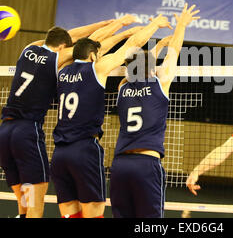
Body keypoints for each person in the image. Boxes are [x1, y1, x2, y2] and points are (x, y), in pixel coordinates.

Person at [50, 14, 173, 219]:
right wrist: (154, 25)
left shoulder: (61, 70)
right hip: (84, 149)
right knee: (94, 212)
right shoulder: (96, 68)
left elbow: (90, 43)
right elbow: (133, 46)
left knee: (70, 214)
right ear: (92, 56)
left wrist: (122, 28)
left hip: (59, 153)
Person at [0, 18, 118, 218]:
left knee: (25, 200)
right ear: (63, 46)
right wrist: (107, 26)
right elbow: (90, 46)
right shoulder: (58, 57)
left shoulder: (28, 49)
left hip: (4, 133)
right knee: (36, 206)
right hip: (26, 132)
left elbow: (71, 35)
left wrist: (98, 25)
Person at [110, 4, 200, 218]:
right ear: (151, 68)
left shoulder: (122, 87)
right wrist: (181, 25)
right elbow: (175, 51)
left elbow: (138, 67)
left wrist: (157, 46)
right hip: (146, 164)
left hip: (120, 165)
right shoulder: (159, 85)